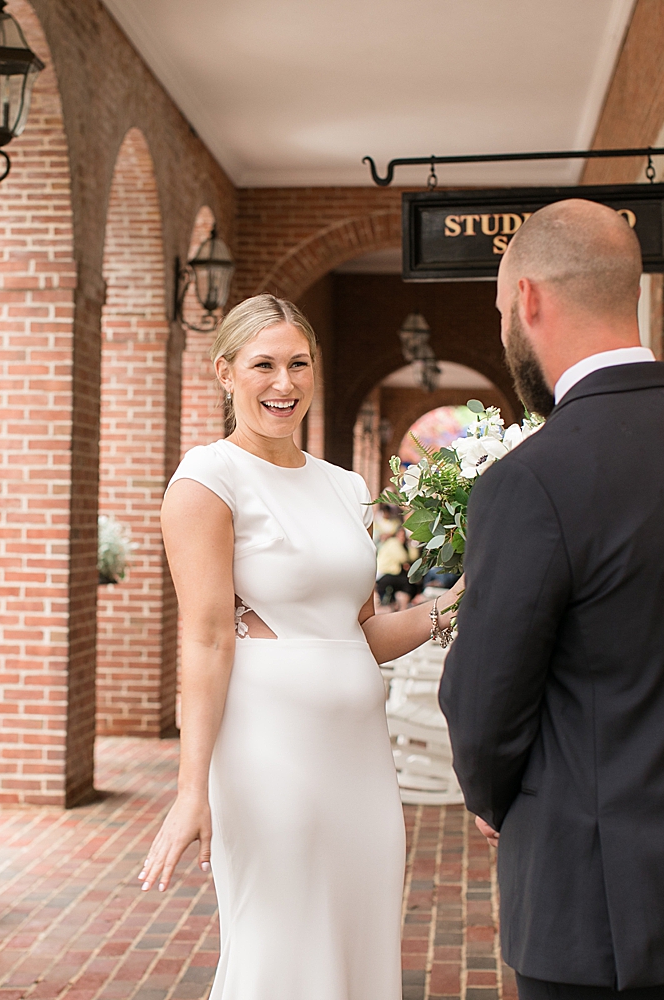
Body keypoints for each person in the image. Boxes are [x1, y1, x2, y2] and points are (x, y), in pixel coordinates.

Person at [439, 200, 664, 1000]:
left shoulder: (534, 479)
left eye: (502, 311)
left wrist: (495, 796)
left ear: (529, 300)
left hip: (591, 884)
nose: (506, 330)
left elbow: (484, 702)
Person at [137, 293, 461, 999]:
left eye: (297, 364)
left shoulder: (346, 488)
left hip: (362, 760)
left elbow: (362, 634)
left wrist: (451, 605)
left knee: (359, 940)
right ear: (226, 374)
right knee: (279, 949)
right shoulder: (207, 480)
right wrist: (192, 790)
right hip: (268, 755)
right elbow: (207, 637)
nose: (283, 384)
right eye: (263, 365)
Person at [375, 527, 417, 610]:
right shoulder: (394, 543)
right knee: (408, 583)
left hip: (391, 573)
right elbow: (403, 558)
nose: (402, 537)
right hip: (385, 573)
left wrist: (411, 544)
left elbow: (413, 557)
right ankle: (403, 605)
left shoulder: (399, 544)